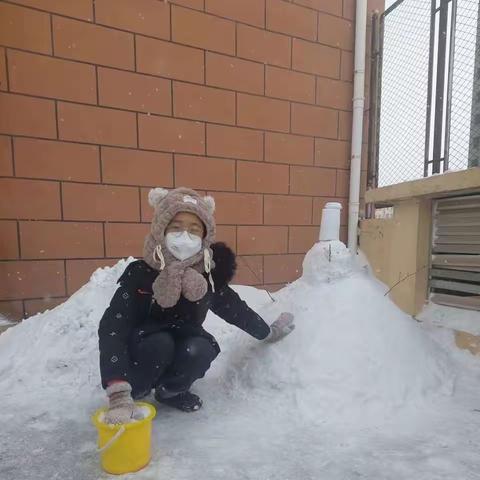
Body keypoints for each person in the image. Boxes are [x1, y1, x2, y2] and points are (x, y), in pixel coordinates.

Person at [98, 187, 295, 424]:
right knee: (160, 342)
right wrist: (118, 390)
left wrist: (267, 332)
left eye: (194, 230)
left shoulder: (207, 276)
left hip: (185, 343)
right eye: (176, 227)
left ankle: (171, 391)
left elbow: (235, 310)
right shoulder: (141, 274)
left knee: (200, 347)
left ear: (204, 237)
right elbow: (113, 327)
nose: (185, 236)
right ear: (161, 230)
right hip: (143, 348)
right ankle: (139, 389)